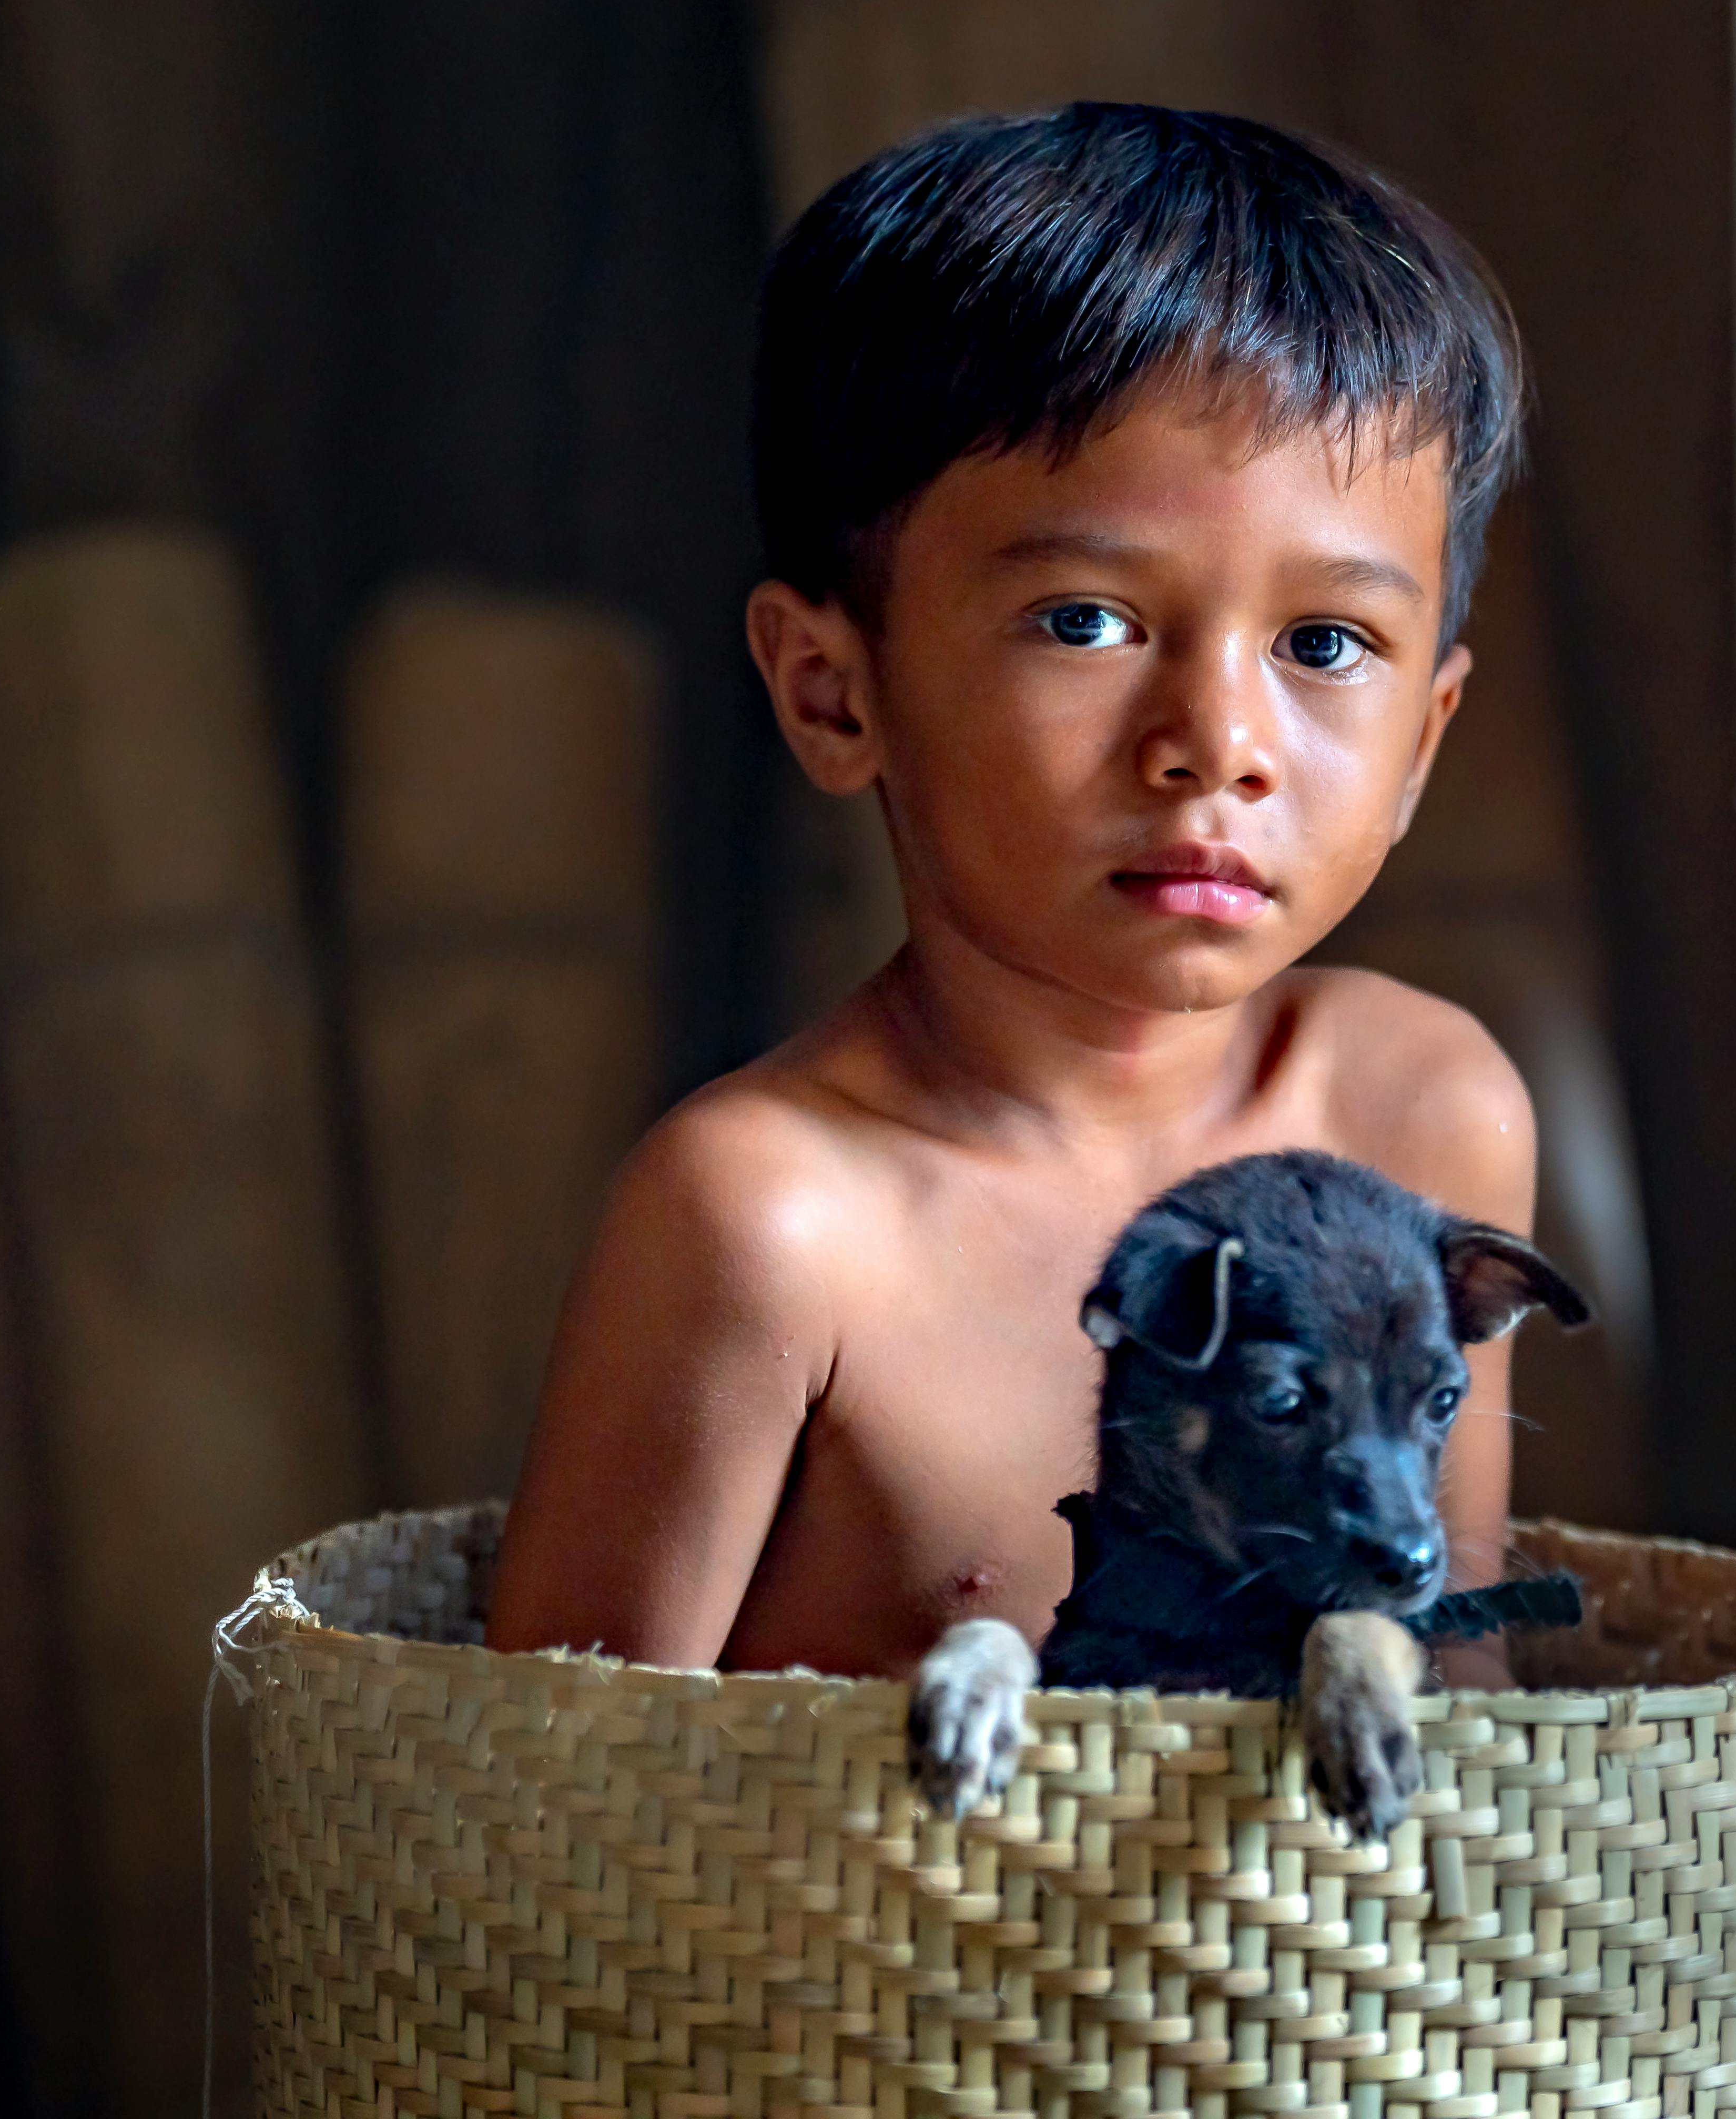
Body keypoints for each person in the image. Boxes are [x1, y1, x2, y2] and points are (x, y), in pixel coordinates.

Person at [487, 102, 1544, 1686]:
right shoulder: (772, 1226)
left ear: (1422, 744)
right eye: (1086, 622)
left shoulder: (1419, 1115)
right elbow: (551, 1840)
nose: (1219, 746)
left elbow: (1454, 1709)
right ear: (836, 693)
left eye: (1324, 645)